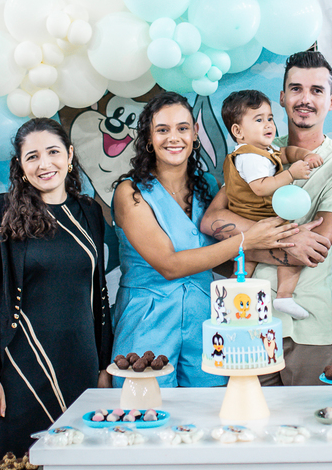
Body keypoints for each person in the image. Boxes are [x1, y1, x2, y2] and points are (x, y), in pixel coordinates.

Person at [111, 91, 298, 387]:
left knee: (209, 408)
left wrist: (292, 246)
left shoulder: (208, 186)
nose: (174, 138)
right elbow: (169, 265)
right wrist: (246, 240)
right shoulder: (130, 193)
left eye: (183, 128)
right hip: (147, 321)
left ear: (195, 132)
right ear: (148, 137)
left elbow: (223, 255)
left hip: (205, 322)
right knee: (146, 406)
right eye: (163, 130)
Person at [203, 51, 332, 386]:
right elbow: (211, 221)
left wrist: (244, 243)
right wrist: (277, 238)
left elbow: (312, 249)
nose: (305, 99)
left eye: (316, 90)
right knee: (249, 416)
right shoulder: (254, 152)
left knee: (308, 419)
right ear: (282, 97)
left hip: (311, 328)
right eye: (296, 89)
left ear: (331, 101)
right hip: (249, 322)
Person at [0, 118, 113, 470]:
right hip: (20, 370)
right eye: (32, 156)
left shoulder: (89, 212)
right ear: (20, 165)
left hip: (81, 367)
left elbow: (99, 294)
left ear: (69, 156)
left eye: (52, 152)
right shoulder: (2, 211)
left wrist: (103, 365)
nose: (44, 164)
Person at [219, 88, 322, 320]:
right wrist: (291, 174)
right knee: (290, 250)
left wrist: (304, 155)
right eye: (259, 120)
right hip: (257, 216)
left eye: (270, 118)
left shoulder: (264, 150)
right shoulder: (250, 157)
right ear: (238, 131)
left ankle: (233, 296)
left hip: (252, 217)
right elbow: (261, 187)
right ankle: (284, 295)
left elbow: (285, 153)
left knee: (246, 263)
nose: (268, 125)